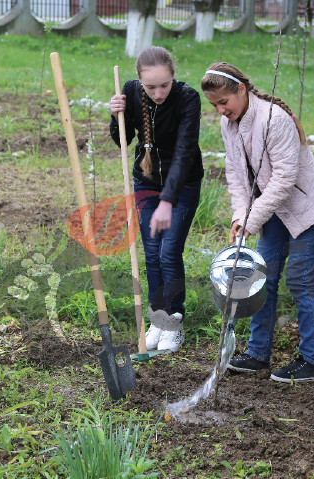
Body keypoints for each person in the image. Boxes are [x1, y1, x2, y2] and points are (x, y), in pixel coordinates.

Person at [200, 63, 314, 383]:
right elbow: (235, 176)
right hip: (272, 209)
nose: (220, 110)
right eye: (214, 105)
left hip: (305, 208)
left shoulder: (274, 119)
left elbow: (285, 179)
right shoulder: (228, 124)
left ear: (241, 90)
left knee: (301, 281)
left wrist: (253, 219)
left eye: (224, 102)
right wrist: (240, 216)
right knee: (260, 279)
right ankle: (259, 353)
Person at [109, 46, 204, 352]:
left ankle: (174, 322)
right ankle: (158, 319)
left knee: (168, 252)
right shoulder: (130, 91)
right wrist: (116, 117)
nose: (159, 93)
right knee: (151, 254)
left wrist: (168, 200)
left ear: (173, 76)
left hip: (183, 184)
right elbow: (121, 140)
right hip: (145, 183)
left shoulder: (188, 98)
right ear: (139, 81)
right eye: (151, 87)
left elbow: (185, 152)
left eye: (165, 85)